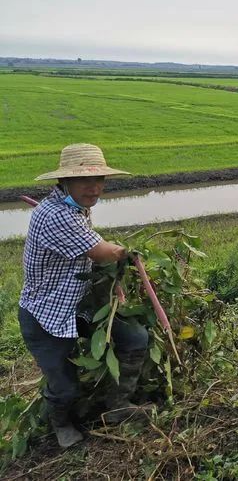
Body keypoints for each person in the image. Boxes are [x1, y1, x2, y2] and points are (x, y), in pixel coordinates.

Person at [18, 143, 151, 449]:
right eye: (84, 181)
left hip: (80, 304)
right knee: (64, 387)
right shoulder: (56, 216)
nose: (94, 188)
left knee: (134, 338)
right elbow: (103, 252)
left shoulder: (77, 208)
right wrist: (125, 251)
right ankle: (61, 423)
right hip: (46, 315)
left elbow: (88, 251)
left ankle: (117, 406)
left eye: (99, 180)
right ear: (64, 182)